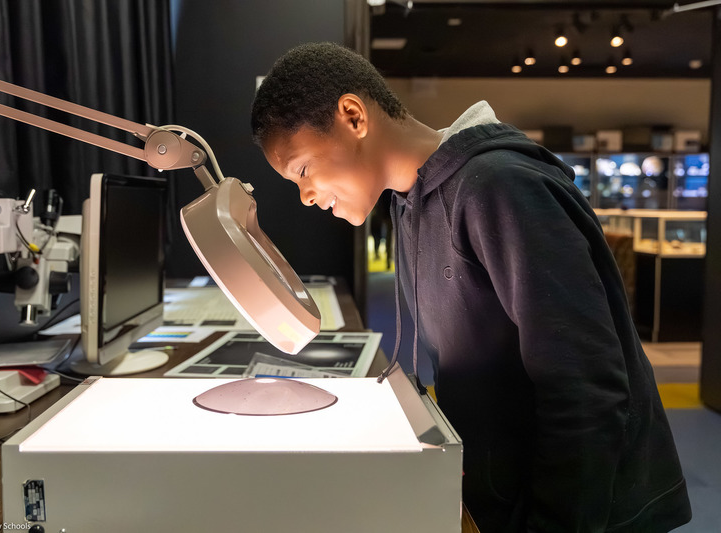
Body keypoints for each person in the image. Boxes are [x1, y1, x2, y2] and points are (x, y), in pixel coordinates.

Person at [250, 42, 691, 533]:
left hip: (586, 512)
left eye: (303, 170)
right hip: (501, 496)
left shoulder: (500, 185)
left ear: (353, 117)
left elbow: (586, 383)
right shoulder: (409, 203)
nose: (306, 197)